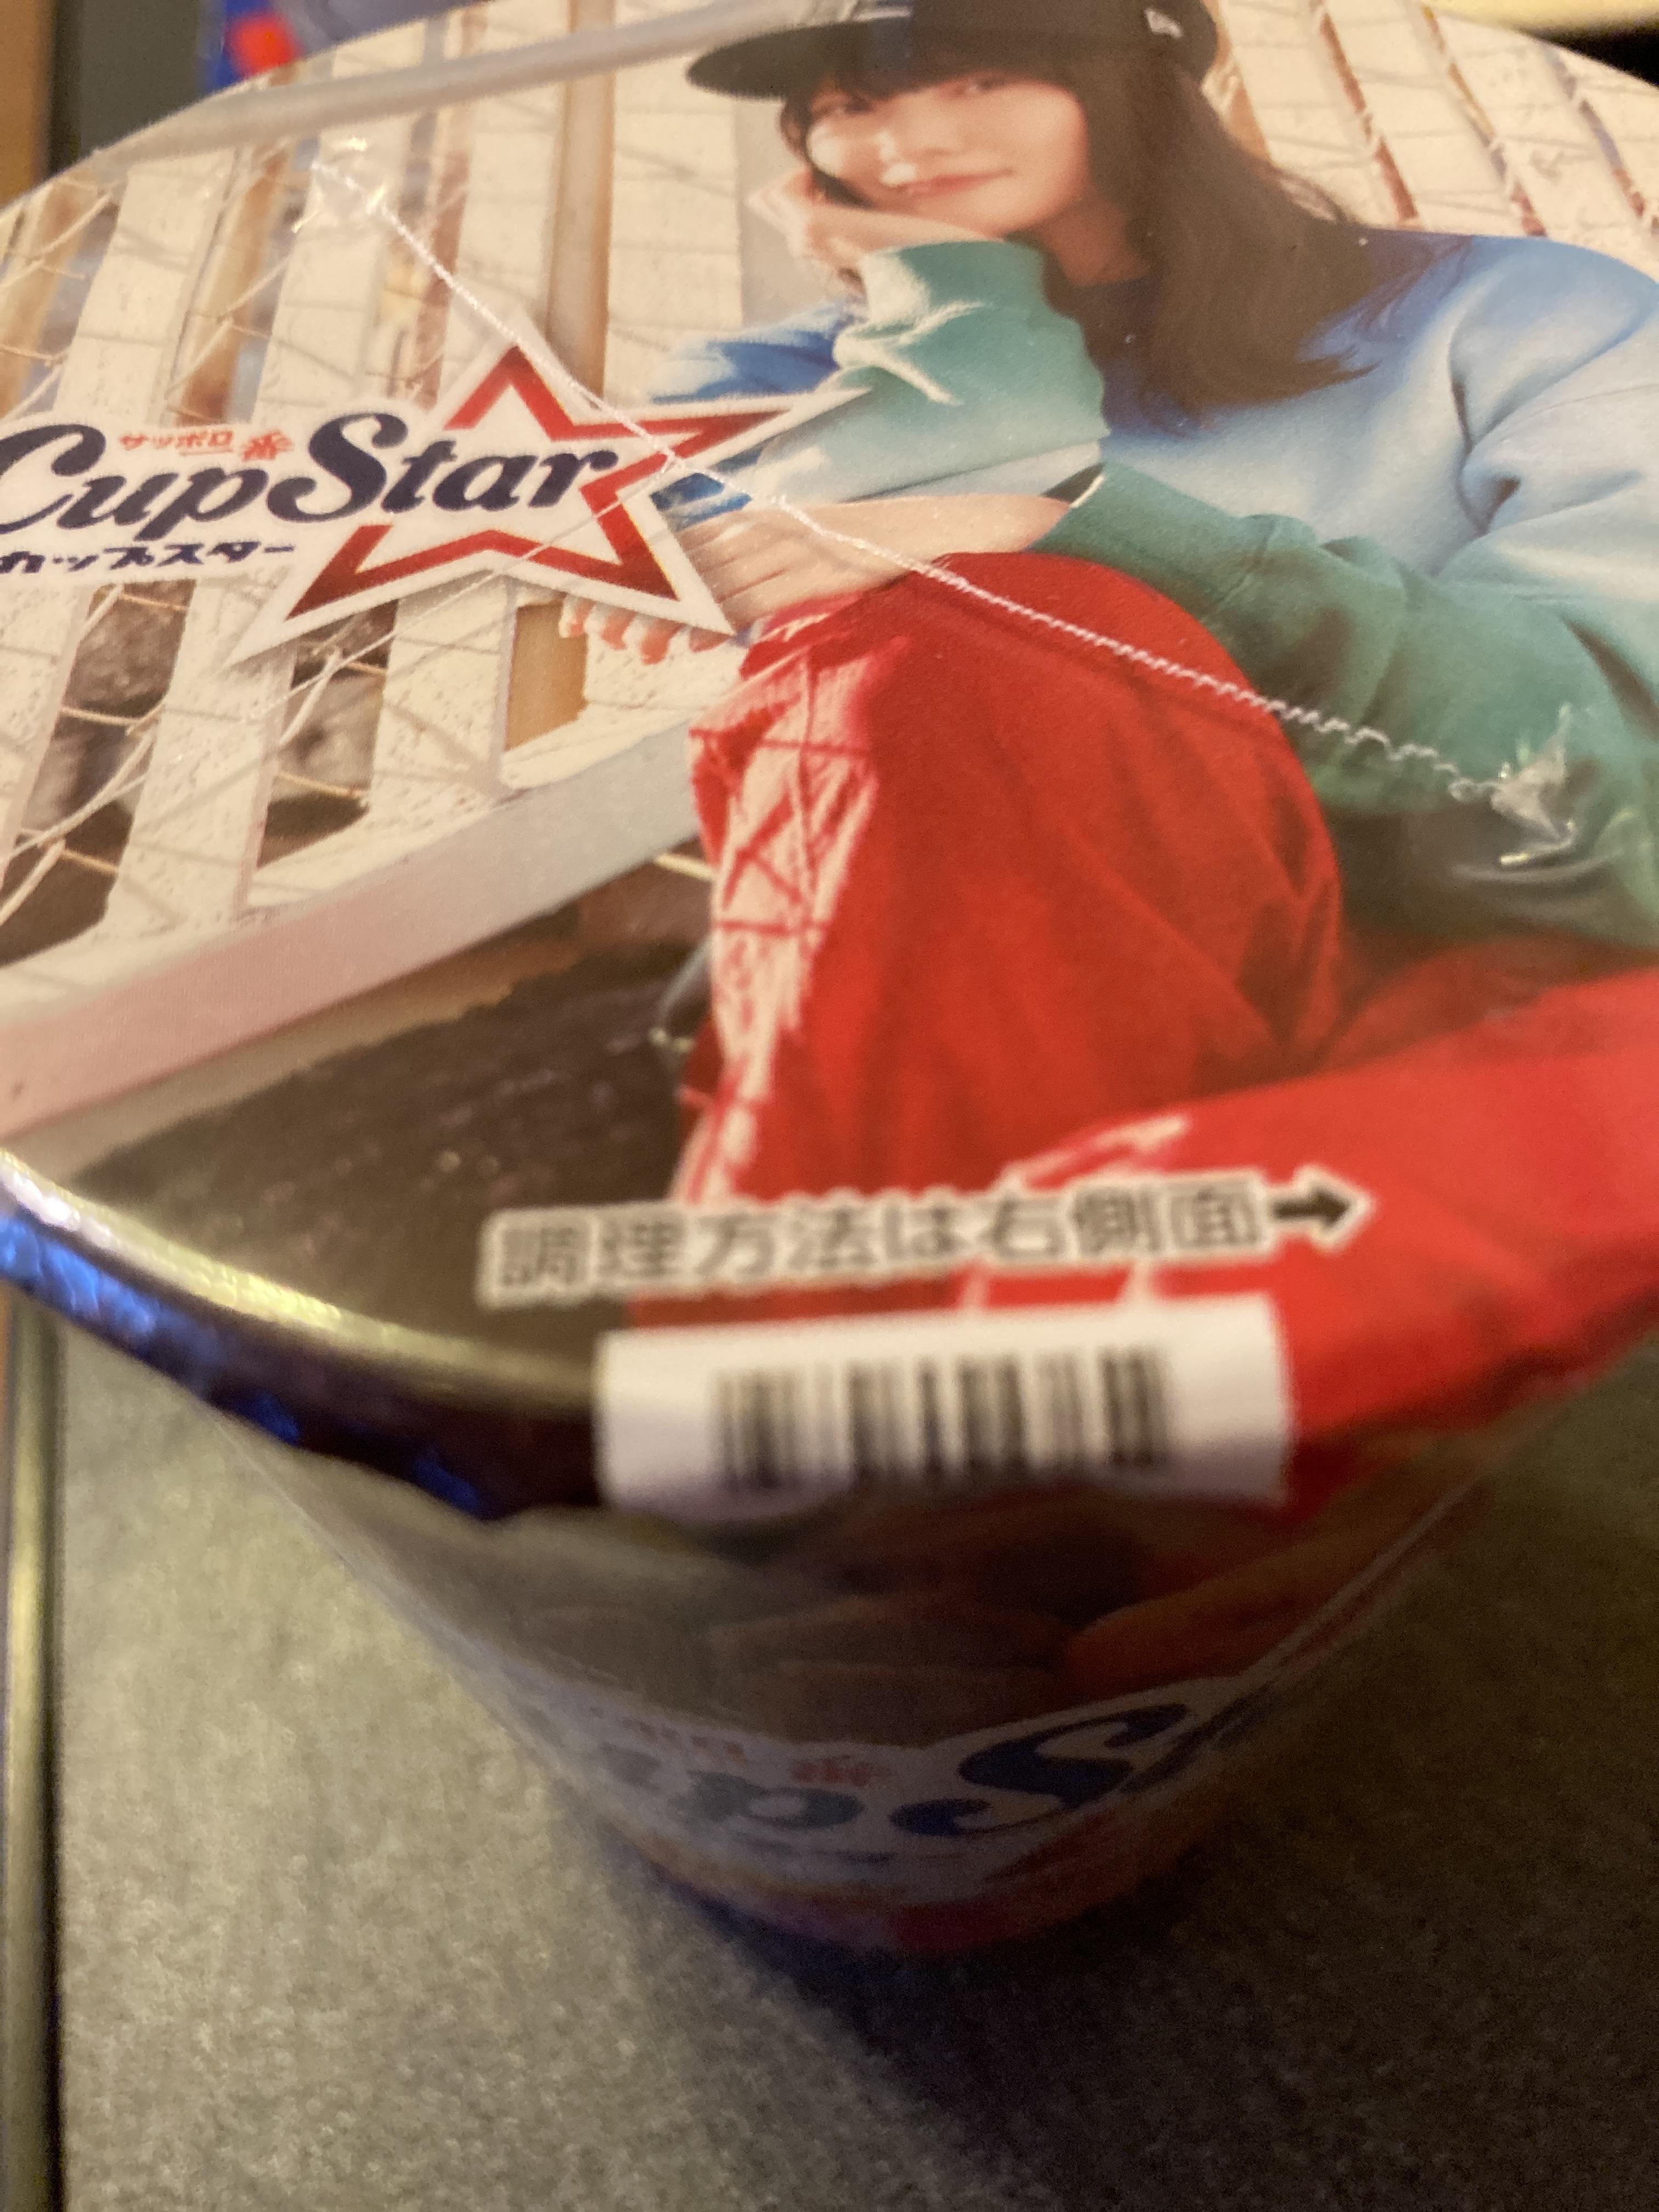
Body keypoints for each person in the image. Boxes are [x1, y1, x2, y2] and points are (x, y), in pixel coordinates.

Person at [565, 0, 1659, 1209]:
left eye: (980, 80)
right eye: (852, 104)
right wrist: (955, 302)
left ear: (1138, 81)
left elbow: (1600, 774)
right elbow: (876, 714)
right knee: (935, 634)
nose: (911, 141)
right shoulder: (760, 382)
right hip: (981, 980)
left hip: (1465, 953)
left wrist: (1060, 525)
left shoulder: (1519, 313)